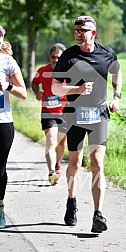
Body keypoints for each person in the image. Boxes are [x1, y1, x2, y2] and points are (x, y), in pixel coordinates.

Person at [51, 16, 122, 233]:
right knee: (74, 163)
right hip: (74, 114)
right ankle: (72, 202)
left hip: (99, 113)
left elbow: (117, 72)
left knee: (98, 163)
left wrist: (117, 96)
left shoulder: (107, 53)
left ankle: (98, 214)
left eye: (83, 30)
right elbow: (55, 87)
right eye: (76, 30)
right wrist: (76, 90)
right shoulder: (68, 56)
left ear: (93, 32)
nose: (78, 33)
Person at [0, 26, 27, 228]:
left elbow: (23, 93)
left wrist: (6, 86)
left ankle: (0, 208)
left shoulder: (8, 62)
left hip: (2, 122)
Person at [31, 43, 67, 186]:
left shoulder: (68, 71)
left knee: (62, 143)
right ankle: (52, 171)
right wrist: (37, 92)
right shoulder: (42, 70)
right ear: (49, 57)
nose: (55, 60)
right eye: (53, 57)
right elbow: (34, 83)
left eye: (58, 58)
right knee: (51, 141)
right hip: (48, 112)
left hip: (65, 112)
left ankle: (57, 164)